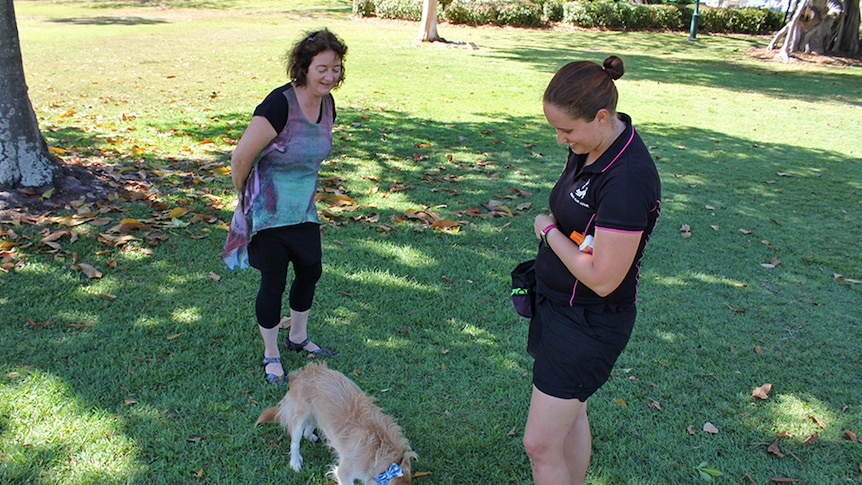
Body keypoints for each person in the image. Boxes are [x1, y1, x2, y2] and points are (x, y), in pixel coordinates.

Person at [522, 55, 661, 484]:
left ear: (602, 117)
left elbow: (602, 278)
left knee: (540, 444)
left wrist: (548, 233)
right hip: (558, 305)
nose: (561, 139)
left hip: (589, 322)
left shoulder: (628, 178)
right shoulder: (592, 146)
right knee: (572, 412)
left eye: (566, 130)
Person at [221, 28, 347, 385]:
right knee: (273, 280)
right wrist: (247, 197)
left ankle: (298, 337)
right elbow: (242, 156)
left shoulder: (328, 104)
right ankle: (271, 354)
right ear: (304, 67)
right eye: (322, 68)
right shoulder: (279, 104)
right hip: (268, 210)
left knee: (310, 270)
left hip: (303, 208)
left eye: (336, 68)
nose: (330, 76)